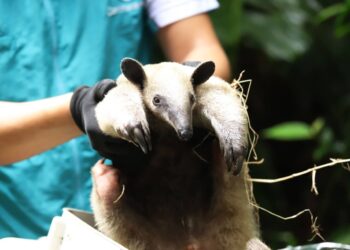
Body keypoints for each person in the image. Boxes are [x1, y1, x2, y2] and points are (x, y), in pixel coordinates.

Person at [0, 0, 231, 240]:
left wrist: (177, 86)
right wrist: (82, 108)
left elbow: (204, 52)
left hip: (145, 208)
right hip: (19, 219)